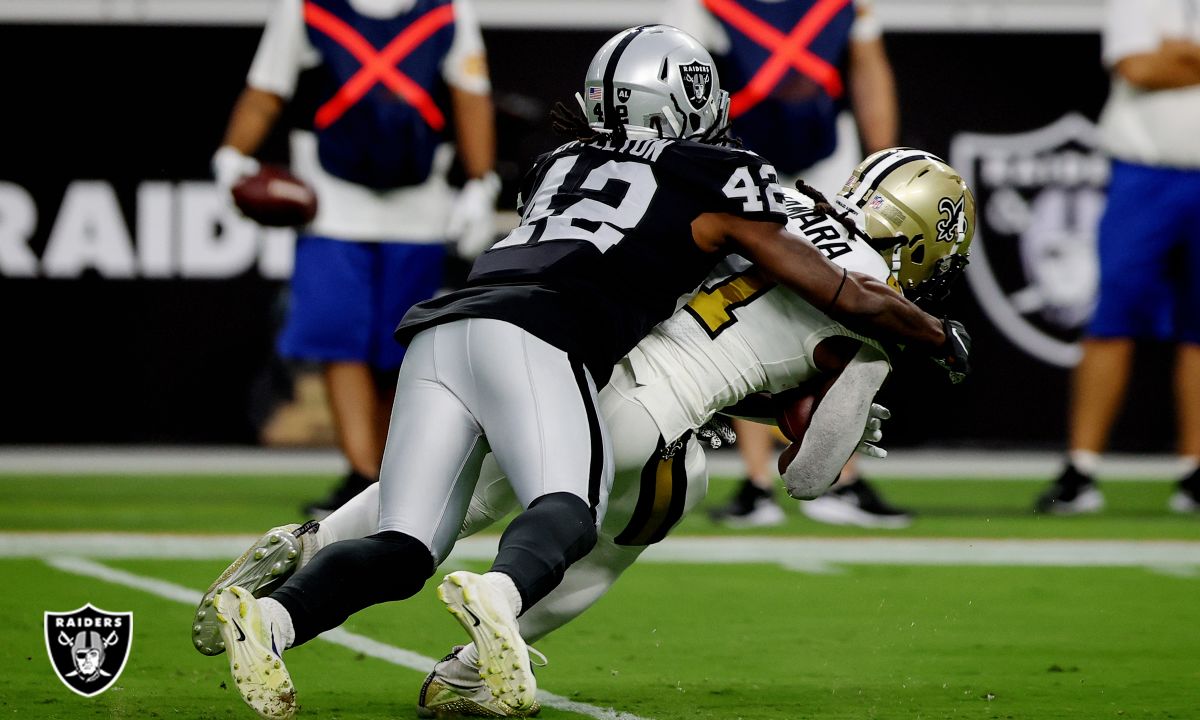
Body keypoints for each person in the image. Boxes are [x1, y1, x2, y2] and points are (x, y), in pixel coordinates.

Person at [206, 27, 968, 720]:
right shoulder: (740, 187)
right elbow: (811, 455)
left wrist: (776, 388)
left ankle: (285, 596)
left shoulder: (567, 163)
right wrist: (919, 342)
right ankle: (490, 627)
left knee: (424, 531)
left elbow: (711, 295)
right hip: (571, 356)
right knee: (588, 515)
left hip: (452, 326)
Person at [213, 0, 499, 519]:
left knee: (400, 349)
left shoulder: (447, 11)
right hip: (330, 206)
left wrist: (481, 181)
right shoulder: (306, 8)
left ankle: (390, 471)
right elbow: (267, 88)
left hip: (419, 205)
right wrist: (234, 155)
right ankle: (364, 471)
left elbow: (471, 94)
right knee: (339, 337)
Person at [665, 0, 907, 528]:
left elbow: (868, 70)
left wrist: (883, 162)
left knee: (847, 297)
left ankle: (844, 472)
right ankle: (755, 480)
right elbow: (686, 86)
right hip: (741, 156)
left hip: (826, 156)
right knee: (744, 302)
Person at [1034, 0, 1200, 516]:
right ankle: (1082, 467)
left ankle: (1195, 471)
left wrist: (1190, 51)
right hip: (1144, 173)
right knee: (1113, 318)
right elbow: (1139, 67)